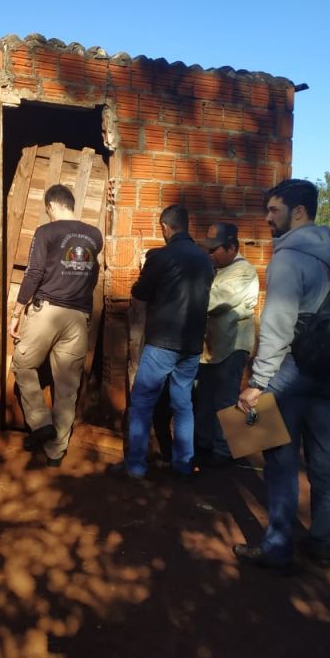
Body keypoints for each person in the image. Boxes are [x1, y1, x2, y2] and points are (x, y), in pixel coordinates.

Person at [233, 179, 330, 572]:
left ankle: (277, 548)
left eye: (274, 210)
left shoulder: (287, 258)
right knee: (325, 457)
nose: (267, 219)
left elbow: (277, 324)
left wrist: (256, 384)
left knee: (278, 458)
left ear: (298, 212)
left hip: (289, 368)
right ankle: (323, 542)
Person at [108, 204, 214, 480]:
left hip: (163, 343)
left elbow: (141, 292)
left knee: (143, 402)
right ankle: (183, 465)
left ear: (166, 227)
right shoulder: (205, 261)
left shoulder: (161, 256)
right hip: (191, 345)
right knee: (183, 404)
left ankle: (136, 466)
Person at [10, 184, 104, 467]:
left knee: (23, 364)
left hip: (47, 312)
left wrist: (17, 310)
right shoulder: (94, 236)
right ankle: (56, 452)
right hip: (78, 318)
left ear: (51, 205)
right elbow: (91, 274)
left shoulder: (46, 232)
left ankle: (40, 422)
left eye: (47, 209)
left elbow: (35, 272)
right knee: (67, 387)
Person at [194, 222, 259, 467]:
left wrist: (186, 296)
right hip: (212, 347)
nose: (210, 254)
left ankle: (223, 453)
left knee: (224, 400)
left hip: (232, 346)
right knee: (204, 398)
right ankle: (204, 444)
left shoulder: (243, 271)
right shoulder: (218, 268)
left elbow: (214, 300)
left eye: (215, 250)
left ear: (232, 247)